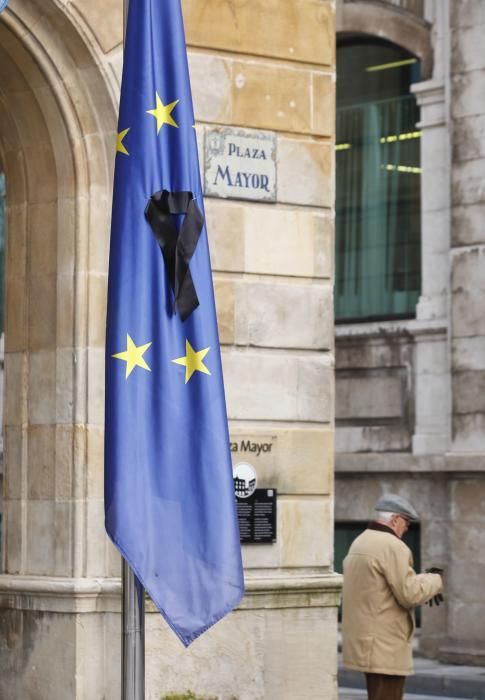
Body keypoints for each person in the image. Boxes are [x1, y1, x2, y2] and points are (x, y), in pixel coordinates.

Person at [341, 494, 443, 700]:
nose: (406, 528)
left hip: (366, 642)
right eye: (406, 522)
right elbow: (410, 595)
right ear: (395, 519)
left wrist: (420, 578)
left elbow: (382, 586)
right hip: (385, 646)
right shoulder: (393, 546)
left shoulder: (360, 541)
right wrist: (435, 581)